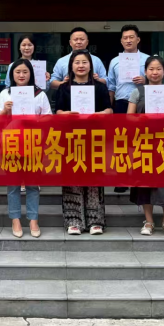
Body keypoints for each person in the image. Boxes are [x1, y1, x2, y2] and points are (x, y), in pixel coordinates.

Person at [55, 49, 113, 235]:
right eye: (77, 62)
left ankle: (96, 221)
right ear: (71, 66)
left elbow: (109, 111)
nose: (81, 66)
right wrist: (67, 114)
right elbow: (58, 112)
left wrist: (98, 114)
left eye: (84, 62)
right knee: (72, 178)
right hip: (71, 139)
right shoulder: (64, 88)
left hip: (94, 138)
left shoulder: (100, 87)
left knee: (94, 178)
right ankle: (74, 220)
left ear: (90, 65)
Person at [127, 55, 164, 236]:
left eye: (158, 69)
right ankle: (149, 221)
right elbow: (129, 118)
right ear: (145, 72)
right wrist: (142, 119)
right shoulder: (138, 92)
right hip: (144, 143)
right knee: (146, 182)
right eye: (151, 69)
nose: (155, 72)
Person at [0, 59, 52, 238]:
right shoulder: (5, 93)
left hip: (33, 143)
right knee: (13, 184)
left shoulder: (39, 94)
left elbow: (48, 118)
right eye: (18, 72)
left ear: (31, 74)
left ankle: (33, 219)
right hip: (11, 142)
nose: (21, 75)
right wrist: (5, 111)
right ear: (12, 74)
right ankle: (15, 219)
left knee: (33, 184)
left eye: (25, 72)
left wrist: (35, 119)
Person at [107, 24, 150, 193]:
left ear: (138, 39)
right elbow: (111, 86)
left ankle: (140, 177)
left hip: (142, 104)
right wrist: (110, 106)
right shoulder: (115, 61)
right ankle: (122, 178)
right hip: (122, 103)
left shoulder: (147, 60)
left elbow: (158, 79)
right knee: (121, 142)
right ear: (121, 41)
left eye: (131, 37)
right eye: (125, 38)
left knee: (142, 141)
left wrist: (146, 80)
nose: (128, 40)